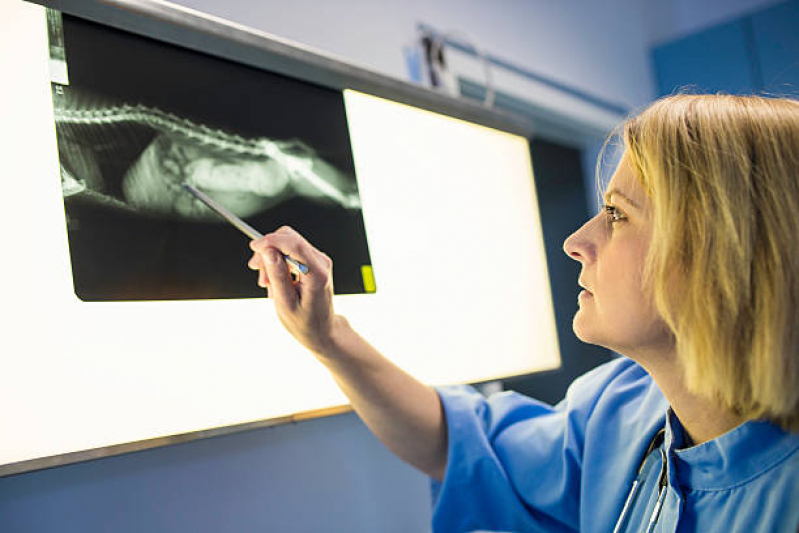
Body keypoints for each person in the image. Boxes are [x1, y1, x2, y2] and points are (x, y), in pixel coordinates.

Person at [247, 94, 799, 532]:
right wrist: (327, 337)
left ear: (720, 251)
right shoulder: (622, 406)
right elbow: (466, 449)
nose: (577, 242)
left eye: (616, 214)